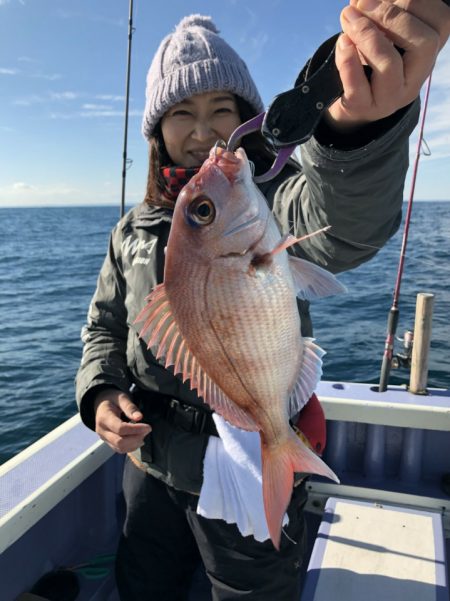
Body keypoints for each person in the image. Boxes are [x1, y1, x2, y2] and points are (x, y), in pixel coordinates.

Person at [76, 4, 450, 600]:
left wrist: (357, 132)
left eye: (221, 110)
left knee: (253, 589)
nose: (202, 131)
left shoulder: (271, 204)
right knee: (145, 582)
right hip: (151, 465)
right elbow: (104, 327)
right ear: (156, 132)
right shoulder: (131, 231)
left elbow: (342, 226)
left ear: (250, 120)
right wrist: (99, 390)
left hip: (245, 458)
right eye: (181, 113)